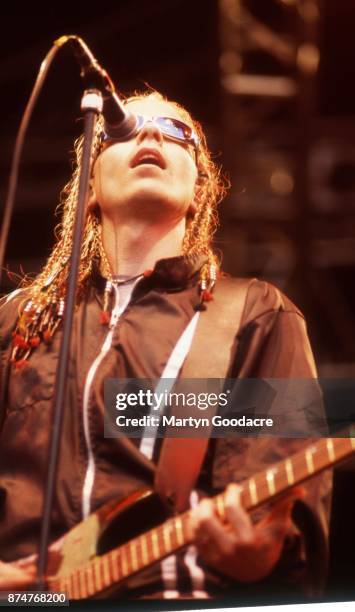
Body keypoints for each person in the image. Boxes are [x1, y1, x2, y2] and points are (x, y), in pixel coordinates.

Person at [0, 90, 331, 600]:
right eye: (124, 129)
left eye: (177, 132)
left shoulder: (255, 315)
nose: (151, 133)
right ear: (89, 184)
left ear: (198, 191)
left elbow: (284, 521)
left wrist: (259, 553)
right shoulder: (18, 320)